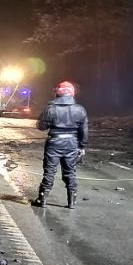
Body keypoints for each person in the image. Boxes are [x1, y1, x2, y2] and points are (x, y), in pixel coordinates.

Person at [31, 81, 88, 209]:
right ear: (72, 93)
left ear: (58, 92)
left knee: (49, 171)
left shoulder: (50, 108)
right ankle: (71, 202)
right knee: (70, 172)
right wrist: (82, 146)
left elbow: (41, 127)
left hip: (54, 142)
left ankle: (42, 199)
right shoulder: (80, 109)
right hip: (72, 143)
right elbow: (84, 131)